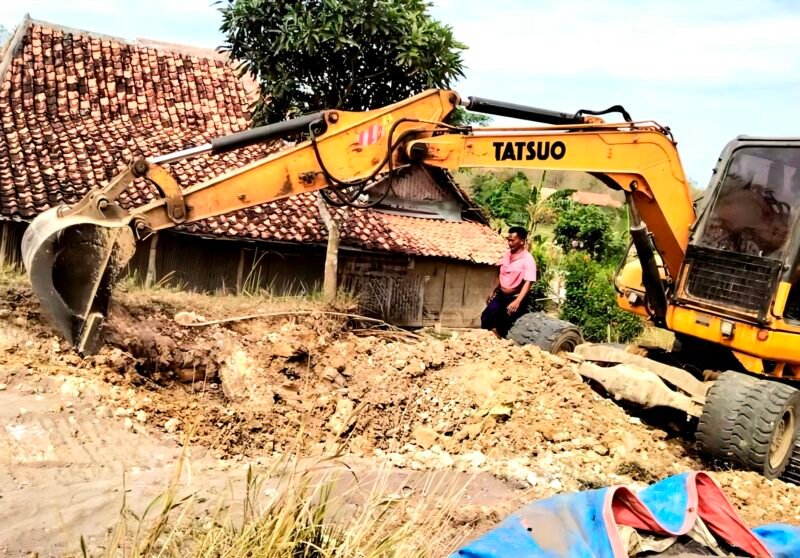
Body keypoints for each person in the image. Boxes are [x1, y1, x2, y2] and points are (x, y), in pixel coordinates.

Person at [481, 226, 537, 337]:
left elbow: (528, 282)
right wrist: (493, 290)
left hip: (514, 298)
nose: (509, 243)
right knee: (486, 316)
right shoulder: (507, 255)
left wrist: (517, 301)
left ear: (522, 241)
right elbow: (501, 273)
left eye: (512, 240)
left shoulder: (528, 260)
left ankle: (502, 347)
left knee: (504, 325)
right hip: (500, 295)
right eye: (508, 240)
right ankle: (486, 343)